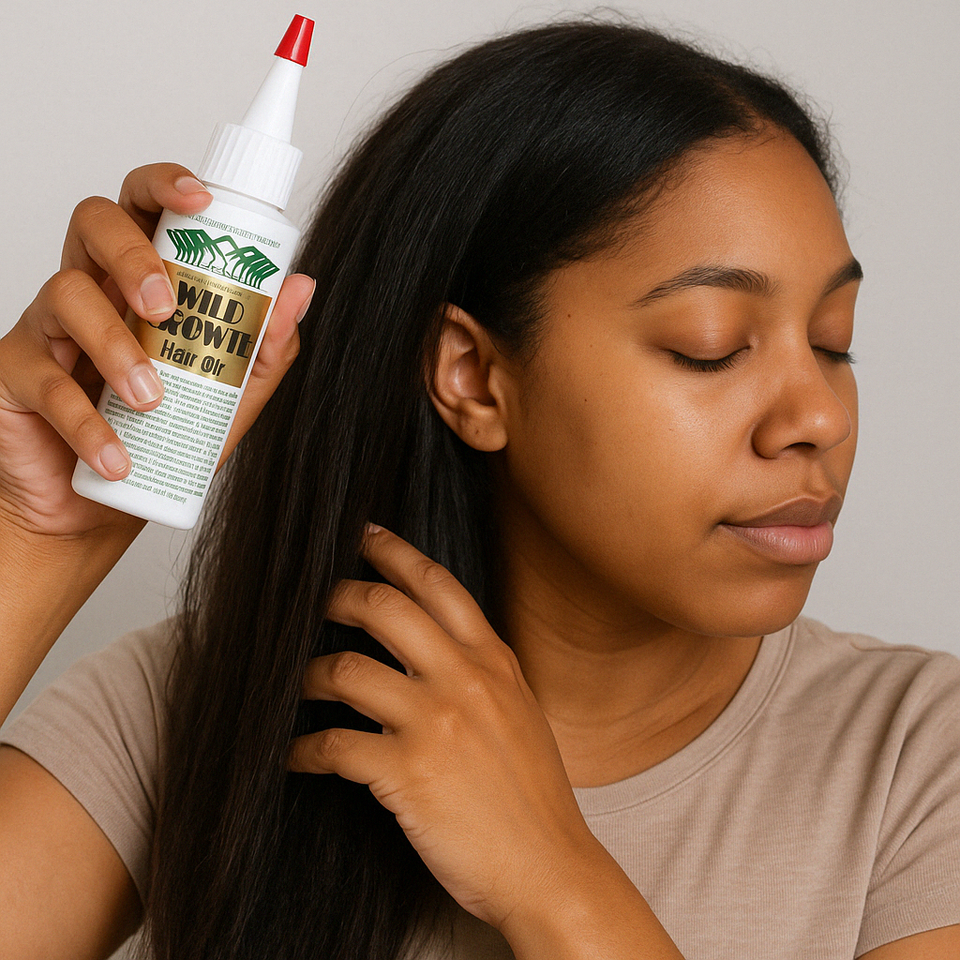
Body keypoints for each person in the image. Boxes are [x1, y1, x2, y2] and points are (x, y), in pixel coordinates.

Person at [0, 17, 958, 960]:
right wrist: (36, 535)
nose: (820, 416)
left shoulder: (920, 764)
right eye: (710, 347)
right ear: (472, 376)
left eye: (833, 341)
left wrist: (551, 878)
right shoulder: (198, 703)